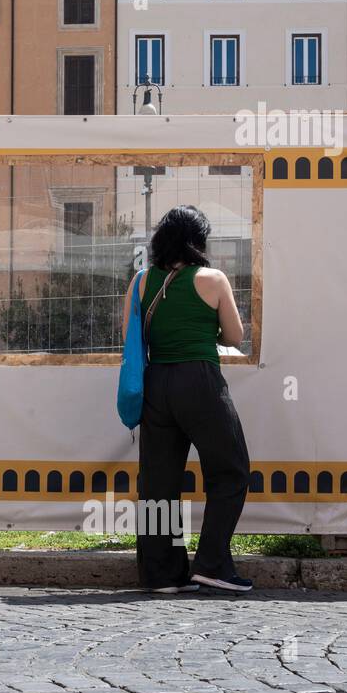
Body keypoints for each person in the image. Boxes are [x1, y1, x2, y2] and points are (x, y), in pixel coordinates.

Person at [122, 205, 251, 594]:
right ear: (199, 241)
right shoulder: (212, 279)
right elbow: (234, 336)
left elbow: (128, 332)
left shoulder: (141, 281)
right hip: (199, 380)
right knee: (230, 470)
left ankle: (161, 575)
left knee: (158, 482)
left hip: (156, 381)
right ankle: (211, 564)